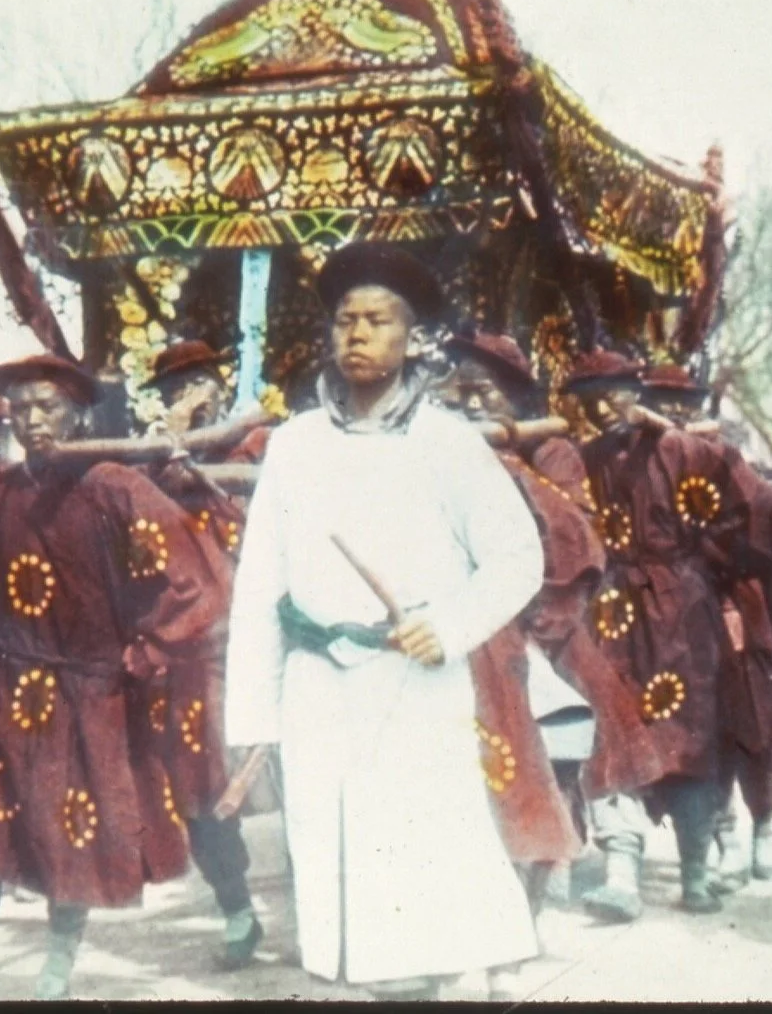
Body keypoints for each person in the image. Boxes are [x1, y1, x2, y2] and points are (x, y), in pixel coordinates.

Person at [224, 243, 544, 1001]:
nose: (357, 335)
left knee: (424, 840)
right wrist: (253, 713)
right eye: (344, 321)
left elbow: (516, 558)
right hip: (316, 681)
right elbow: (260, 583)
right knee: (329, 847)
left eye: (377, 321)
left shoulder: (449, 444)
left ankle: (444, 974)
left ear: (411, 338)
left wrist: (452, 626)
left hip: (413, 678)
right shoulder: (295, 445)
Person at [0, 352, 234, 1001]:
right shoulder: (0, 495)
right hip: (10, 693)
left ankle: (56, 970)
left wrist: (148, 651)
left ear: (80, 413)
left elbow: (196, 579)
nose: (33, 419)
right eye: (21, 408)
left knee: (73, 838)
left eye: (48, 406)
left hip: (92, 696)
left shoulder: (115, 487)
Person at [434, 332, 663, 931]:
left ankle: (621, 868)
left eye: (483, 390)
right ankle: (538, 867)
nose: (472, 403)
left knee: (599, 725)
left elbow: (567, 530)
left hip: (556, 611)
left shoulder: (552, 450)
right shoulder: (453, 452)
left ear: (512, 395)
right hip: (486, 618)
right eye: (461, 392)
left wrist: (508, 466)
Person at [566, 349, 751, 916]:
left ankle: (695, 871)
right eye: (589, 393)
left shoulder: (678, 445)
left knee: (688, 736)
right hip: (615, 607)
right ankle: (622, 873)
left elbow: (737, 508)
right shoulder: (590, 455)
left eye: (613, 390)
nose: (601, 404)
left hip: (682, 607)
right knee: (611, 727)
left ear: (634, 390)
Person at [142, 339, 266, 967]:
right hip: (200, 645)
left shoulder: (260, 444)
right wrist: (172, 446)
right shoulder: (154, 462)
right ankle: (238, 910)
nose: (186, 399)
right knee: (202, 781)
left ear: (220, 385)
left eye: (196, 385)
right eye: (172, 391)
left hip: (275, 636)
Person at [641, 364, 772, 889]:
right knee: (707, 724)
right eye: (662, 400)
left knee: (750, 719)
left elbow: (761, 521)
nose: (674, 413)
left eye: (684, 403)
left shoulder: (722, 456)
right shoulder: (646, 462)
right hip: (679, 615)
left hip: (736, 602)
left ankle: (764, 824)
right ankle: (725, 837)